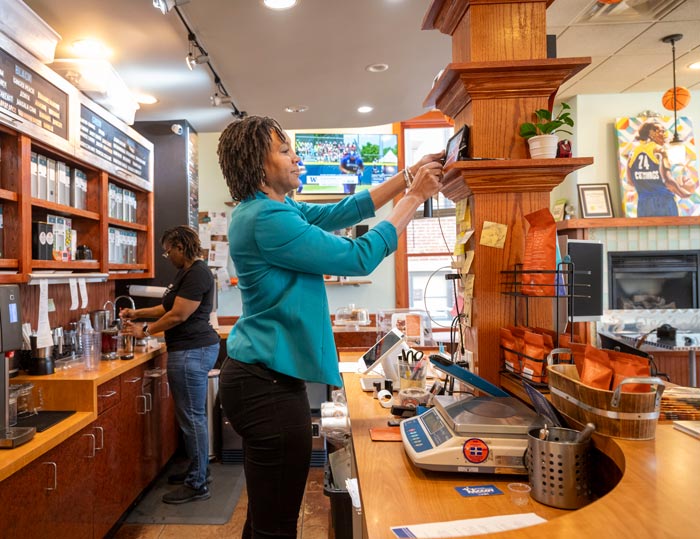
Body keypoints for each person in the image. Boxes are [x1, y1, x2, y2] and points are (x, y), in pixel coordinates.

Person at [216, 115, 443, 538]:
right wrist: (414, 198)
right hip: (264, 386)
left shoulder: (272, 209)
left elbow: (345, 210)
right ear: (259, 167)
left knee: (265, 518)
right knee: (277, 525)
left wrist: (407, 176)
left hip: (259, 381)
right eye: (284, 150)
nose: (296, 156)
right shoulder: (267, 218)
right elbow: (357, 257)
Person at [120, 225, 220, 505]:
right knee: (191, 416)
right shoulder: (186, 273)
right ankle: (198, 470)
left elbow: (178, 315)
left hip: (192, 351)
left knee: (192, 418)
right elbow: (166, 307)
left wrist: (146, 330)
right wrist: (136, 313)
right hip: (191, 350)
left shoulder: (197, 273)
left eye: (167, 252)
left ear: (179, 247)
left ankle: (197, 483)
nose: (168, 256)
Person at [626, 120, 694, 216]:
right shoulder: (660, 151)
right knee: (671, 230)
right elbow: (668, 180)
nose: (665, 135)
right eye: (661, 131)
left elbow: (630, 181)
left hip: (643, 204)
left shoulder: (632, 153)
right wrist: (684, 194)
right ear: (651, 133)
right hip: (664, 202)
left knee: (645, 231)